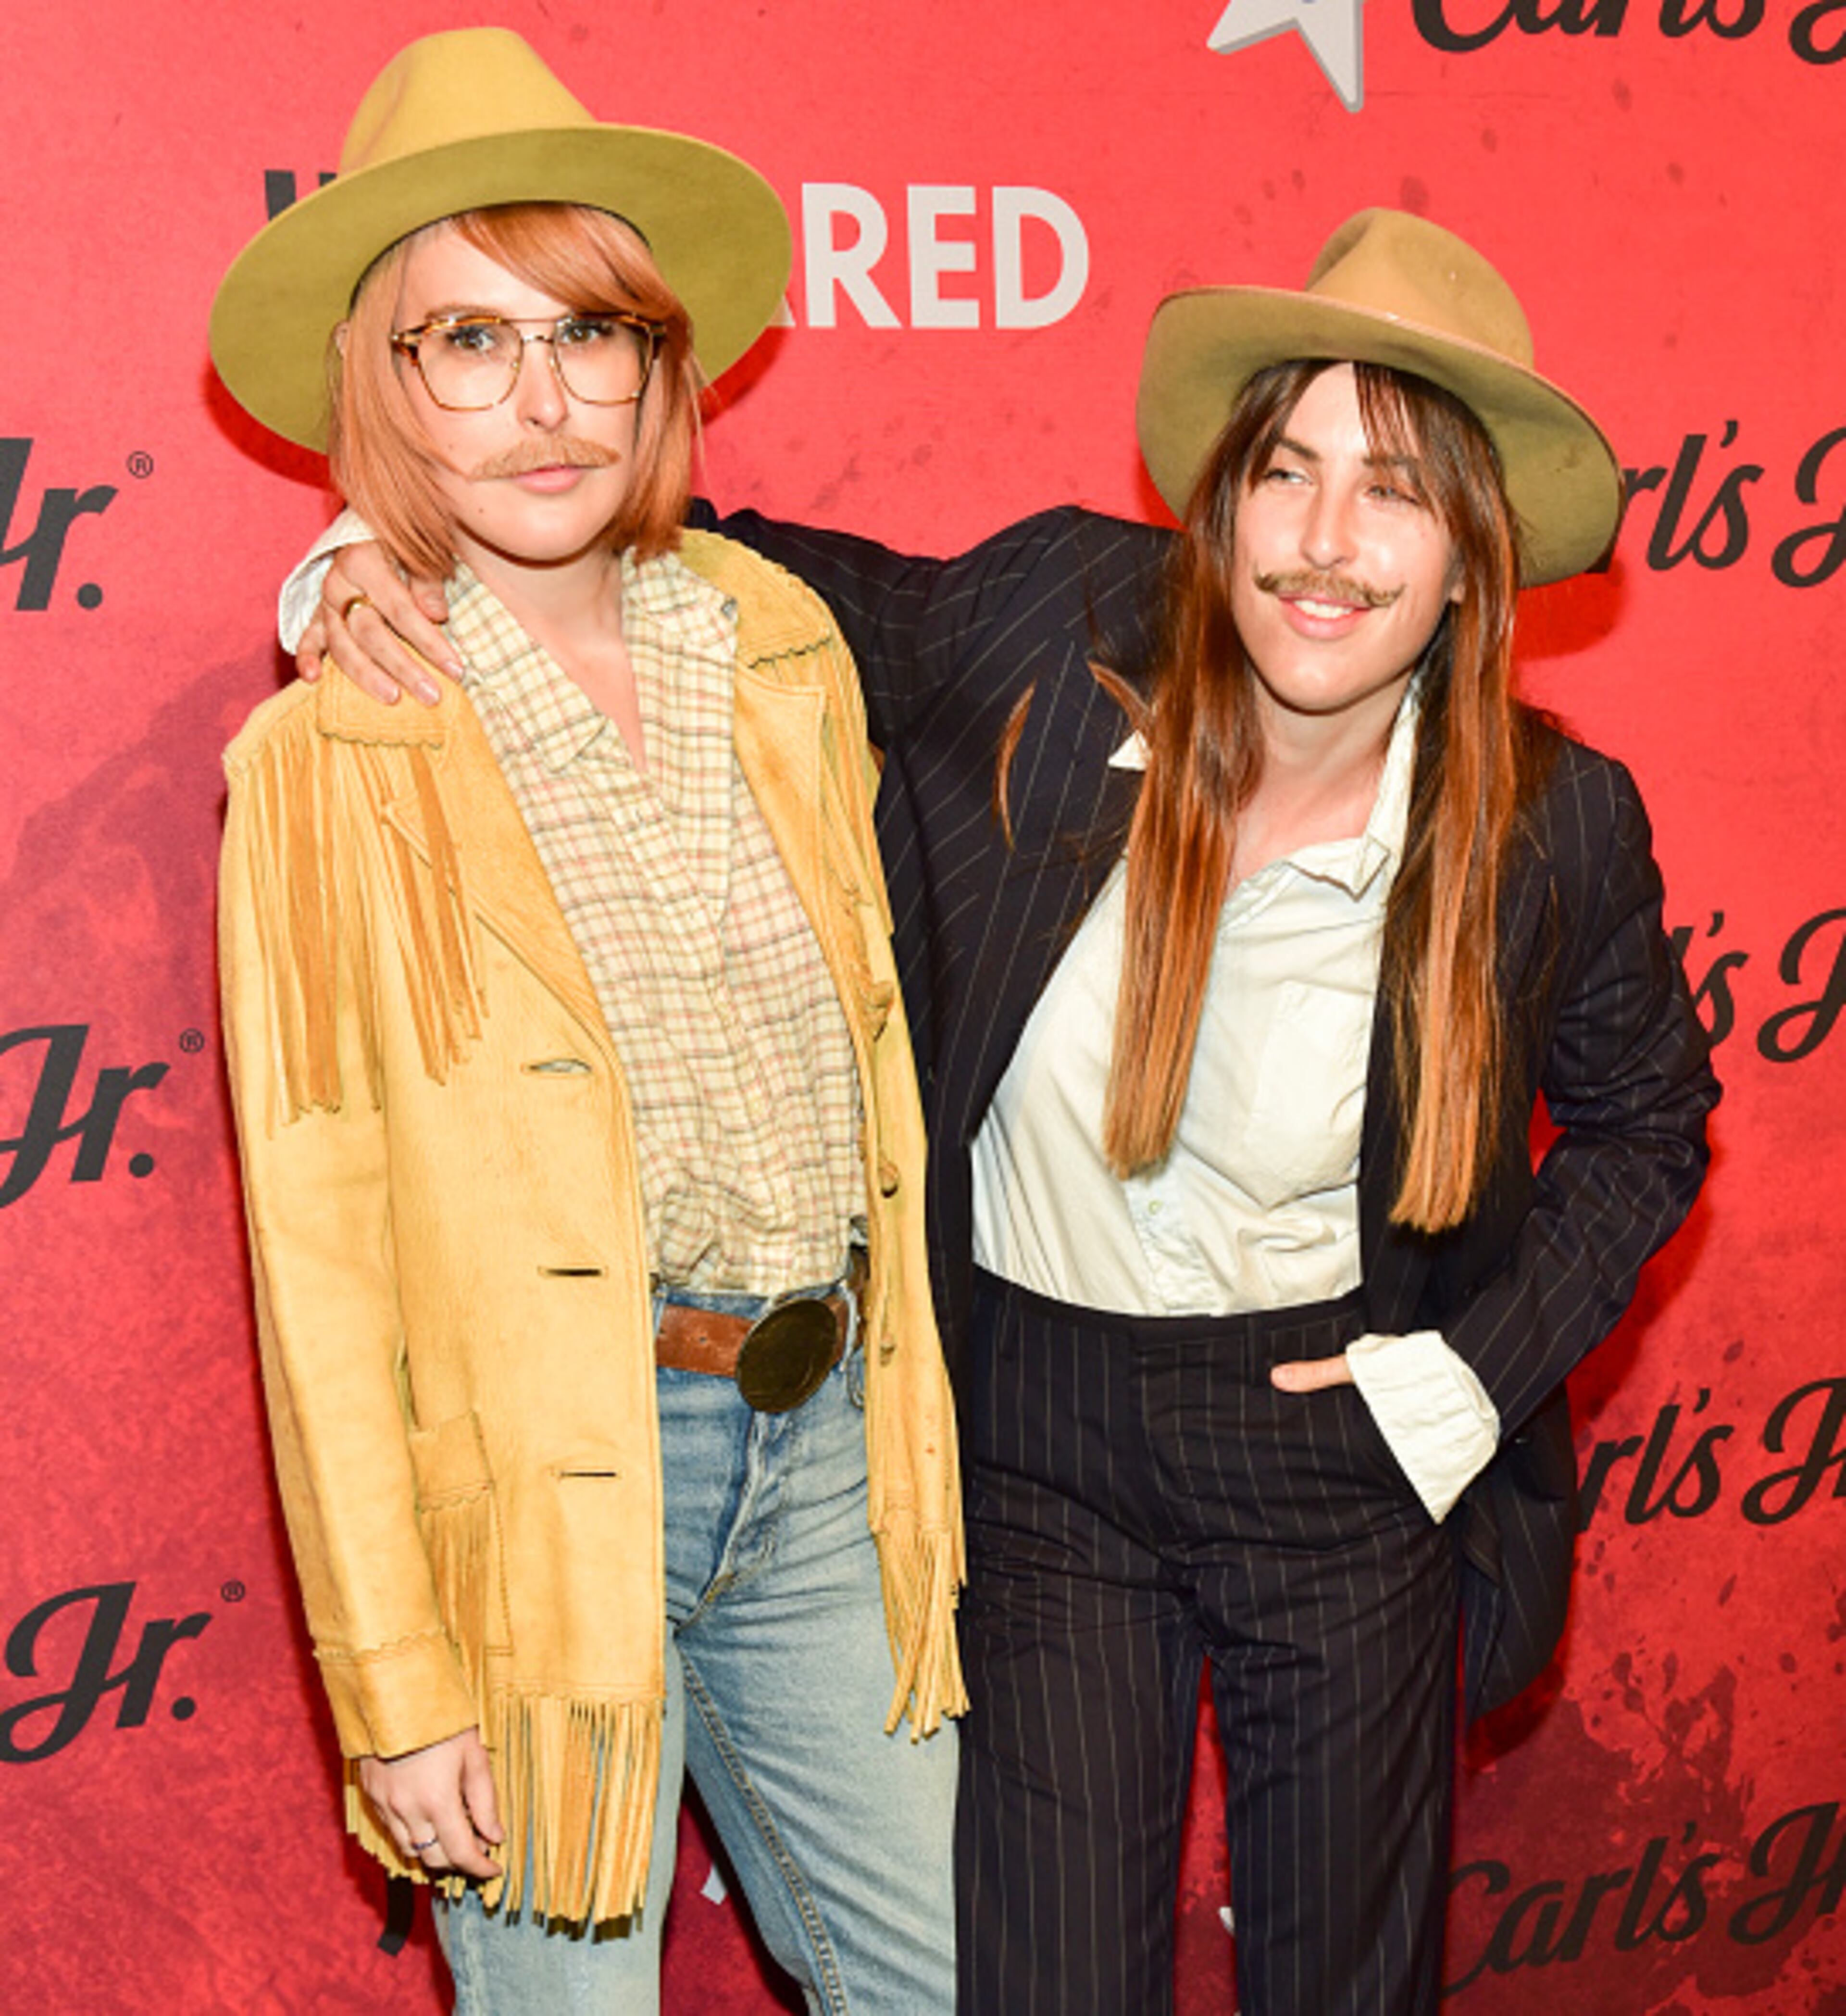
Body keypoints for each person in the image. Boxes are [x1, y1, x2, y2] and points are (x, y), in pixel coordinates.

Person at [292, 209, 1718, 2014]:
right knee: (1028, 1985)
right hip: (1037, 1438)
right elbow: (697, 562)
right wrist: (372, 550)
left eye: (1398, 493)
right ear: (1220, 498)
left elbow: (1652, 1122)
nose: (1329, 546)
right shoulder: (1058, 621)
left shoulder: (1551, 822)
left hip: (1347, 1437)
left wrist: (1459, 1380)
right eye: (1285, 471)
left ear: (1474, 557)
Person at [210, 28, 963, 2015]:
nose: (545, 401)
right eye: (470, 342)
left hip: (826, 1452)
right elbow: (321, 1259)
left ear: (663, 366)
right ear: (384, 385)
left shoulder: (784, 643)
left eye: (592, 333)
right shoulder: (328, 752)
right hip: (542, 1479)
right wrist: (396, 1682)